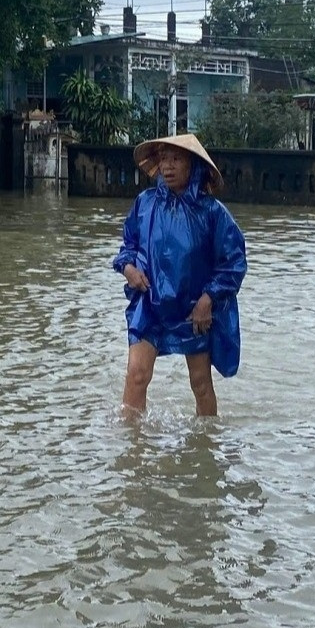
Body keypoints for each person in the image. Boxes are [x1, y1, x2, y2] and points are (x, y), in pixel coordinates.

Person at [112, 133, 249, 418]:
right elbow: (128, 245)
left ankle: (207, 442)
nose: (168, 166)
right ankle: (130, 447)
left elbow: (233, 262)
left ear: (193, 165)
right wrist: (128, 269)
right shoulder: (145, 203)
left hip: (192, 309)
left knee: (200, 383)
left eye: (176, 159)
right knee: (137, 374)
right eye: (164, 159)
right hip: (149, 301)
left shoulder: (212, 213)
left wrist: (207, 300)